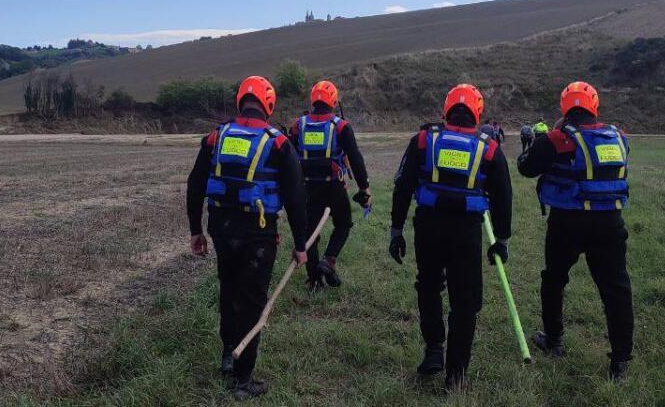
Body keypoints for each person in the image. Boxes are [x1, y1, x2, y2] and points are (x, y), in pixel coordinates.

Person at [186, 75, 310, 400]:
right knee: (253, 301)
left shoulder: (216, 137)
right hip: (258, 234)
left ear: (240, 101)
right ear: (269, 105)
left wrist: (195, 230)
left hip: (222, 230)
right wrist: (301, 245)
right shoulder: (279, 142)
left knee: (228, 289)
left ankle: (229, 354)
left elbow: (195, 184)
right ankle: (243, 380)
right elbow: (296, 198)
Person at [388, 84, 513, 391]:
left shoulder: (422, 141)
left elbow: (402, 187)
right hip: (466, 233)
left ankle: (434, 349)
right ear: (478, 112)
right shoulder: (490, 149)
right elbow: (504, 197)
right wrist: (502, 240)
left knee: (428, 285)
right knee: (464, 302)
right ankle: (455, 374)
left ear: (445, 110)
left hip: (428, 227)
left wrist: (396, 229)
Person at [517, 81, 634, 381]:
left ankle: (553, 340)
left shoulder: (557, 139)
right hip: (609, 221)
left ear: (564, 106)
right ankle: (620, 360)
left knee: (554, 280)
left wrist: (532, 141)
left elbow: (527, 168)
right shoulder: (618, 137)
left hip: (567, 221)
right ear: (594, 106)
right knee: (616, 288)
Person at [286, 80, 371, 291]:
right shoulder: (341, 126)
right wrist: (364, 188)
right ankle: (329, 260)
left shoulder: (299, 126)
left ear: (313, 100)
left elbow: (289, 157)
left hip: (307, 188)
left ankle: (315, 281)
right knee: (343, 224)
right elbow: (355, 158)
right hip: (334, 187)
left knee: (310, 234)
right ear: (333, 101)